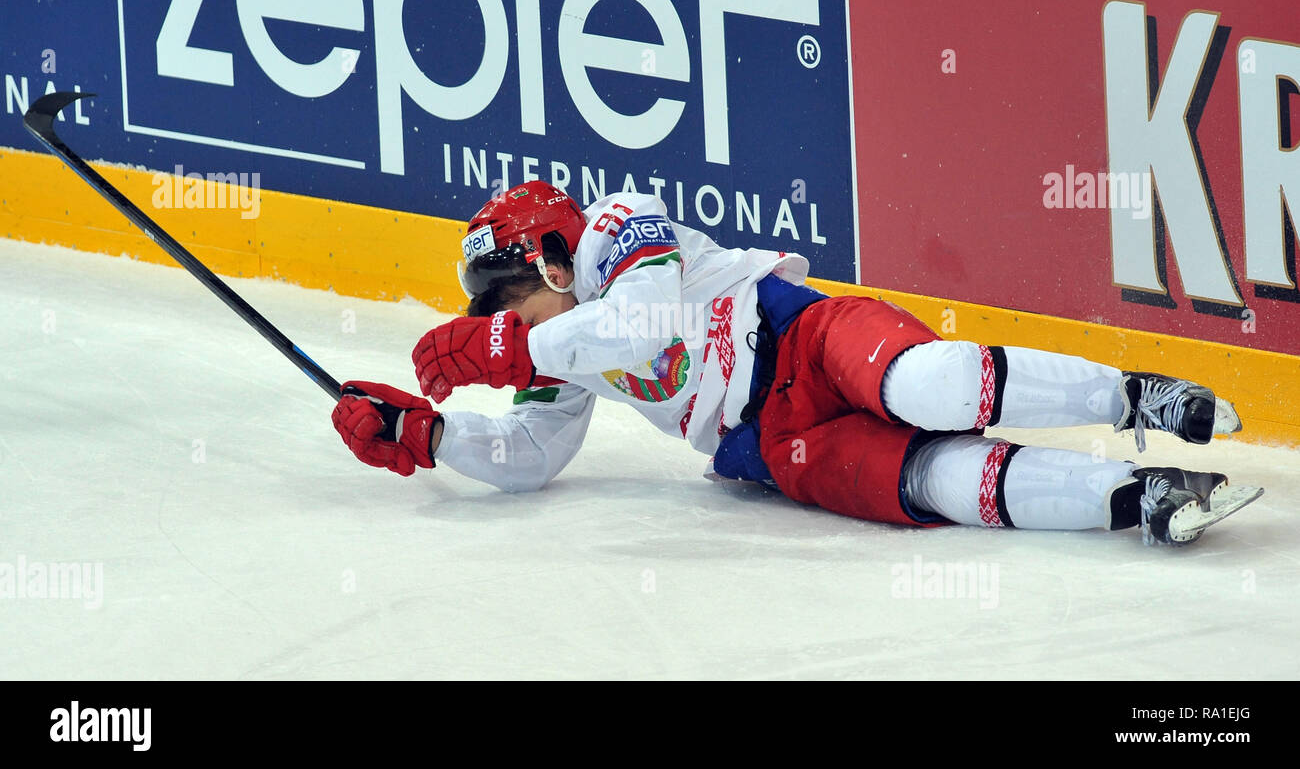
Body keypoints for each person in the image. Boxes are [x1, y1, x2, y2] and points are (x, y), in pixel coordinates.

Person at [331, 181, 1258, 546]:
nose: (501, 322)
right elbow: (530, 458)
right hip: (770, 445)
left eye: (501, 302)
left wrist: (508, 343)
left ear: (545, 257)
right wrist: (432, 431)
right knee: (932, 480)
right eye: (495, 317)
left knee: (925, 386)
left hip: (803, 339)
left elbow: (647, 320)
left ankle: (1142, 398)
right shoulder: (556, 349)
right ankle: (1148, 500)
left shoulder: (618, 225)